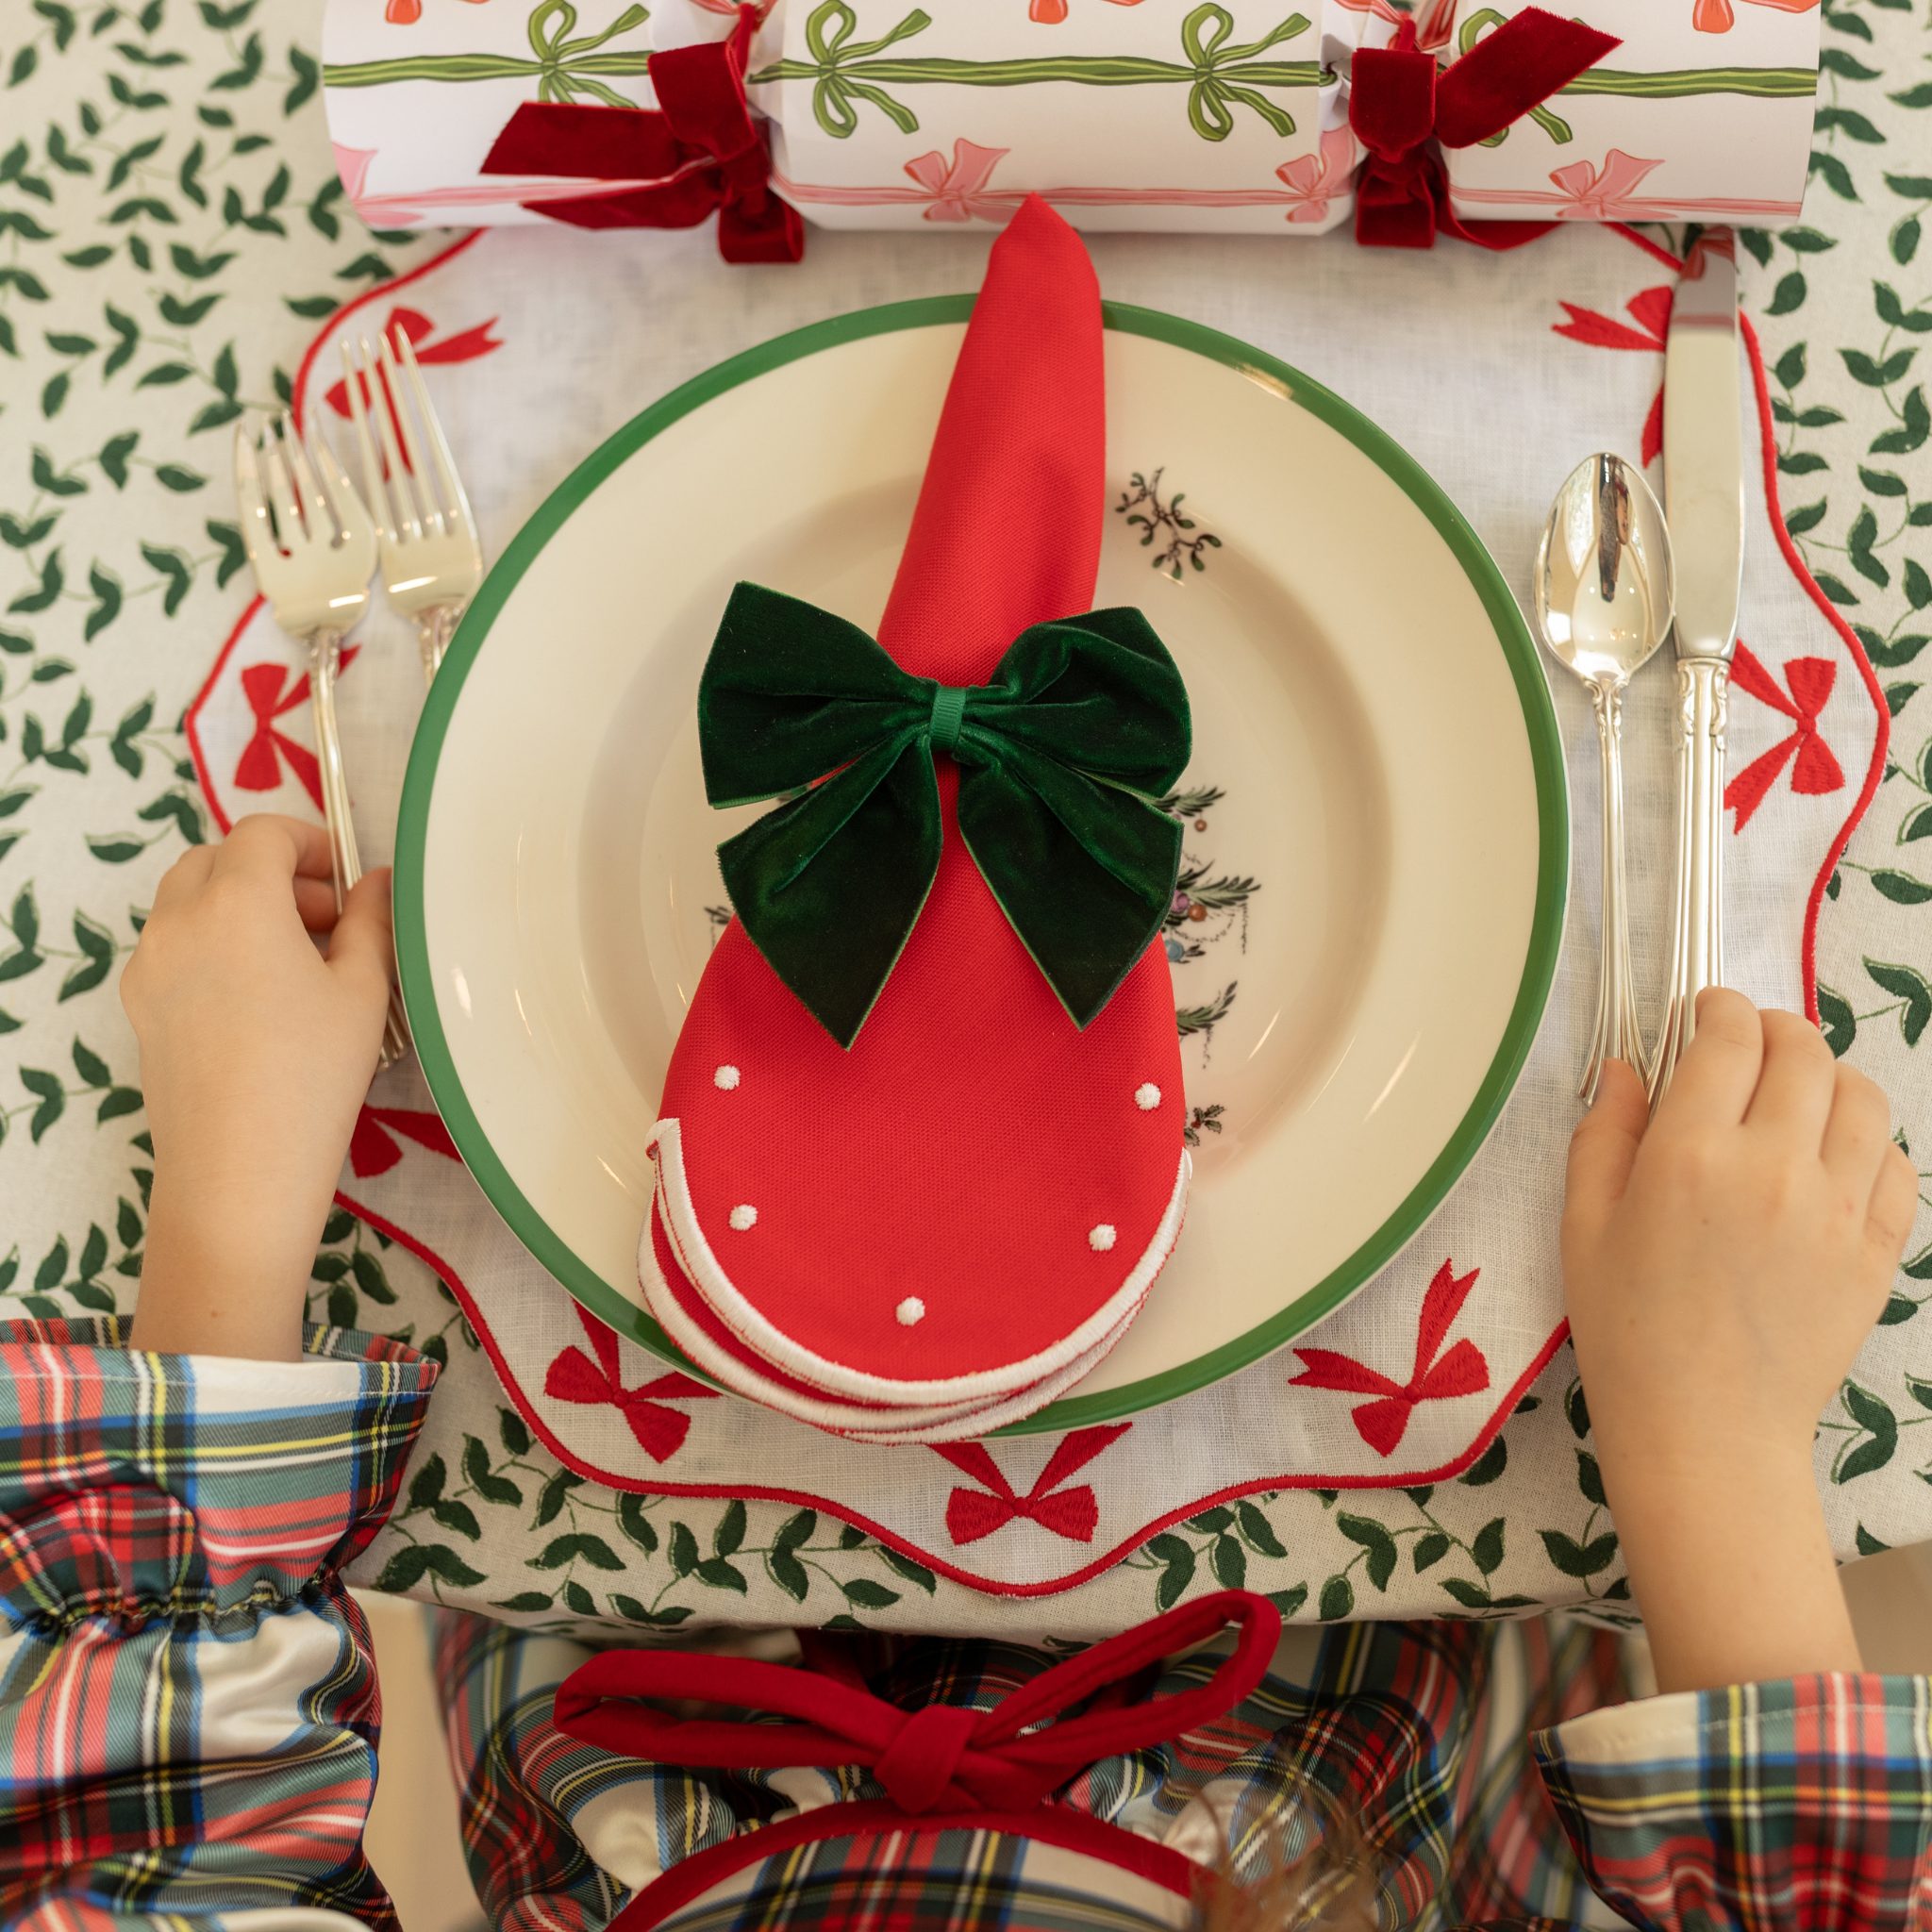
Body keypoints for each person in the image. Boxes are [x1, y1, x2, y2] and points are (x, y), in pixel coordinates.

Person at [0, 811, 1924, 1932]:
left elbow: (130, 1846)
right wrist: (1717, 1435)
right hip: (1369, 1659)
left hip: (603, 1599)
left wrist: (236, 1217)